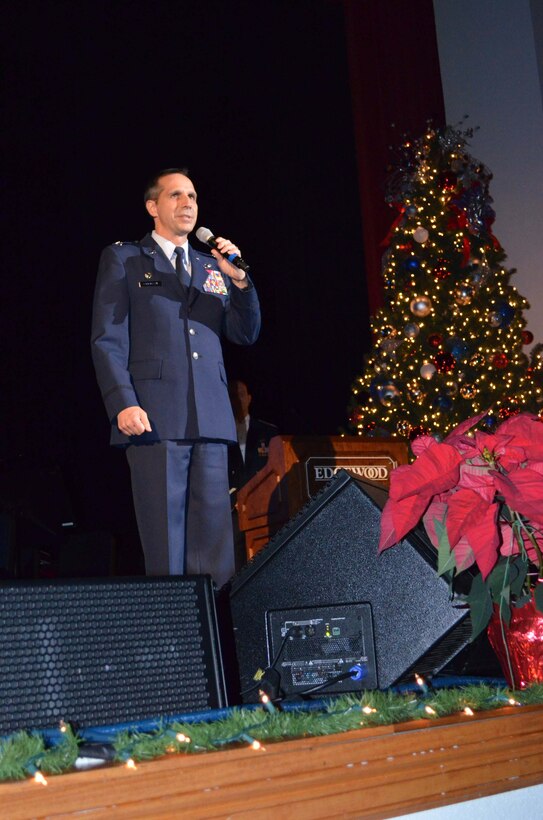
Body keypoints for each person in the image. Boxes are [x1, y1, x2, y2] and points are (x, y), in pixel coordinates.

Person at [91, 167, 261, 588]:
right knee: (167, 549)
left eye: (193, 197)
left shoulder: (211, 266)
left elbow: (244, 332)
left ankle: (213, 644)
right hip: (154, 418)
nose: (188, 204)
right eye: (176, 196)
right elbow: (107, 339)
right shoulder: (126, 258)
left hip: (211, 419)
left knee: (216, 555)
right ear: (153, 207)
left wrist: (240, 280)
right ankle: (174, 645)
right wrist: (122, 402)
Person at [227, 379, 279, 492]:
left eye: (241, 394)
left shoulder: (268, 431)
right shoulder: (222, 432)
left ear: (249, 398)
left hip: (264, 494)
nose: (238, 399)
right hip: (233, 498)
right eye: (233, 396)